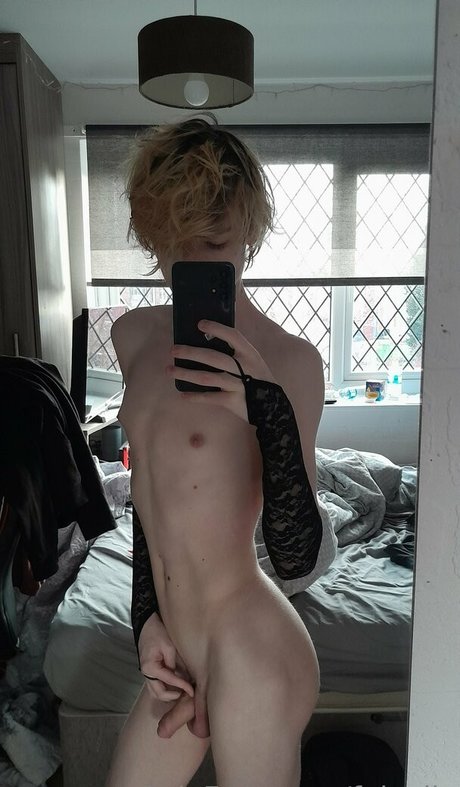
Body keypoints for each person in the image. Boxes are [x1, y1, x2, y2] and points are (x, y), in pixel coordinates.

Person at [106, 118, 336, 787]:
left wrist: (265, 410)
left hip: (252, 644)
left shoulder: (290, 360)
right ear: (153, 233)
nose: (198, 253)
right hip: (178, 646)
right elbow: (152, 497)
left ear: (249, 231)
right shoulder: (133, 336)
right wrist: (146, 621)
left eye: (217, 237)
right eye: (179, 236)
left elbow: (297, 556)